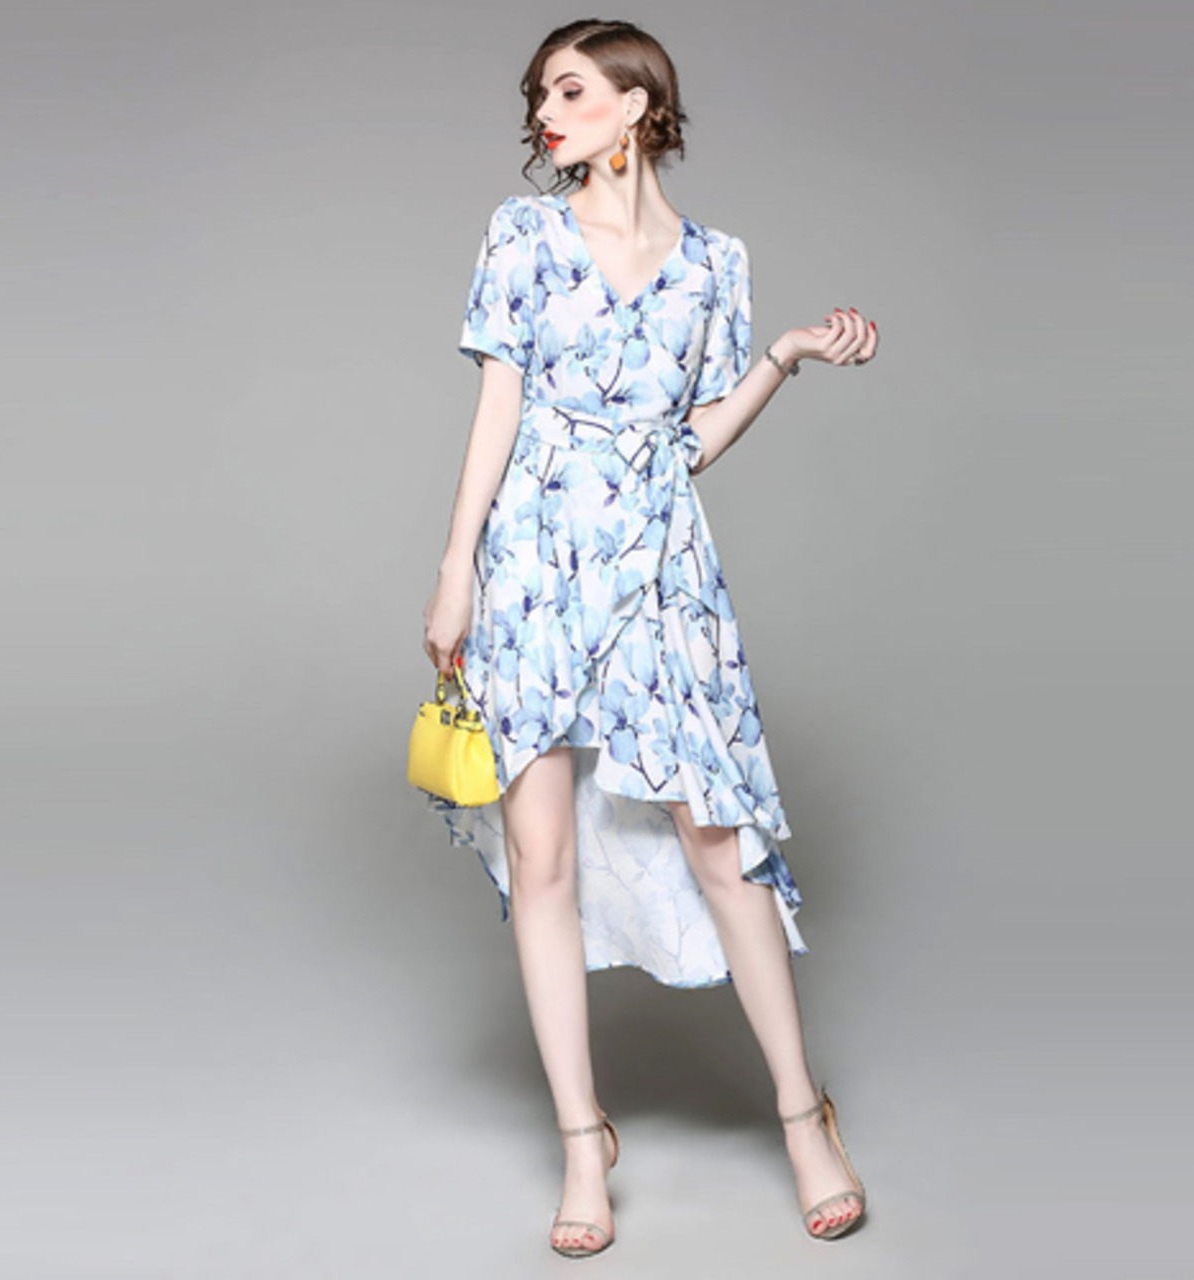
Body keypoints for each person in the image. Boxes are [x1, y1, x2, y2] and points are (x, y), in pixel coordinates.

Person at [420, 18, 878, 1259]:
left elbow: (688, 443)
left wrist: (780, 357)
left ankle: (802, 1114)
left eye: (569, 90)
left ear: (634, 105)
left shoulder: (716, 264)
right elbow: (498, 407)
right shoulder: (521, 236)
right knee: (543, 855)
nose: (545, 112)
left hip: (662, 576)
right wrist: (456, 567)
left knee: (716, 842)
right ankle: (583, 1140)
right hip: (531, 569)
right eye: (539, 94)